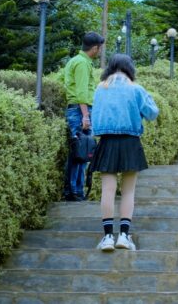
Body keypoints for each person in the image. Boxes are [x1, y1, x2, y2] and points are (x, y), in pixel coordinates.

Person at [89, 54, 159, 252]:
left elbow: (95, 118)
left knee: (108, 190)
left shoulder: (100, 88)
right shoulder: (136, 88)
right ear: (130, 68)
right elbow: (153, 113)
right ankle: (124, 236)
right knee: (128, 191)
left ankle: (108, 237)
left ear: (110, 68)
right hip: (130, 142)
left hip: (107, 141)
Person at [62, 32, 104, 201]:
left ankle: (75, 191)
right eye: (100, 48)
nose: (100, 51)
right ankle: (74, 192)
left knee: (80, 153)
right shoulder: (81, 63)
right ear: (94, 48)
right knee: (80, 153)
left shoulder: (76, 61)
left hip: (77, 110)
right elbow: (81, 92)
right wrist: (86, 116)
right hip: (80, 111)